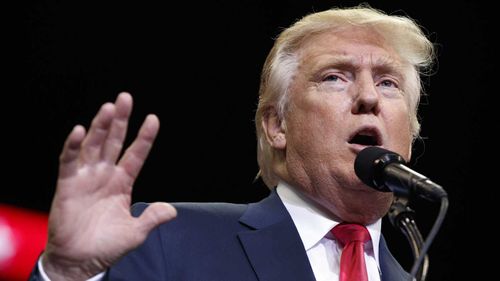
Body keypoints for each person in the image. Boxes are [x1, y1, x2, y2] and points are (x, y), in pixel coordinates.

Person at [30, 4, 435, 281]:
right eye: (335, 77)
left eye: (388, 83)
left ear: (410, 135)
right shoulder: (172, 241)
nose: (368, 97)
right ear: (277, 125)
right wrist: (66, 273)